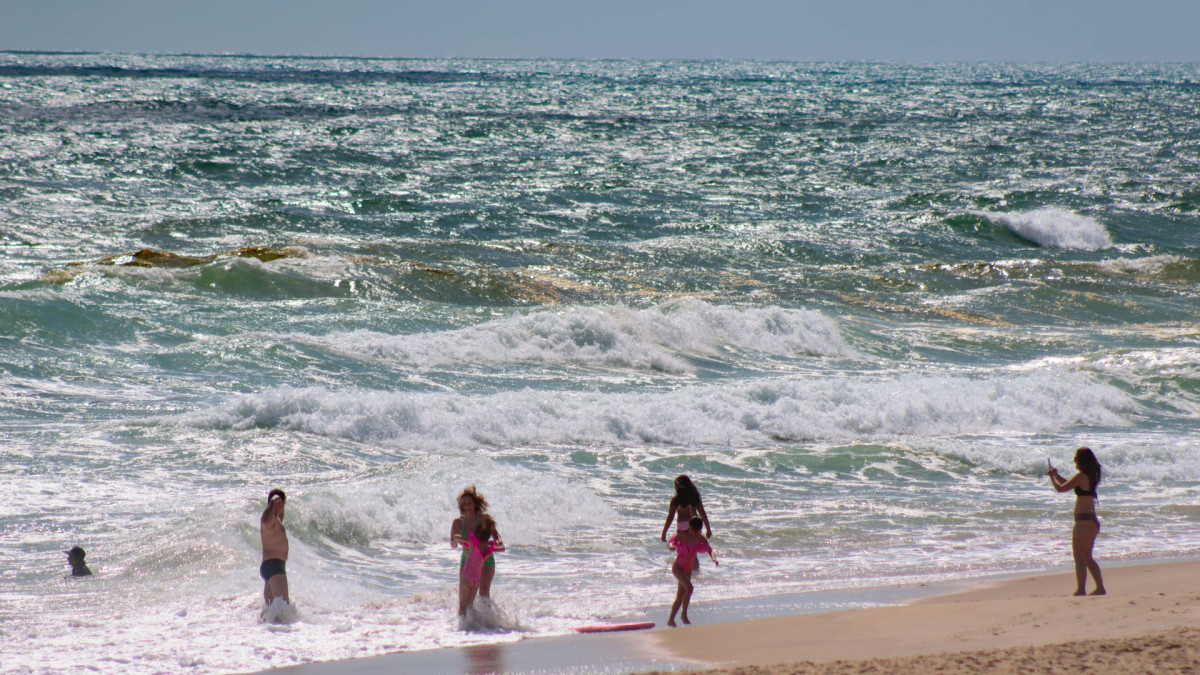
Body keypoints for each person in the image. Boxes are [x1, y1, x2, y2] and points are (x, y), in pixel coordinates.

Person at [1047, 447, 1106, 596]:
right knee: (1087, 558)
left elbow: (1061, 489)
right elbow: (1069, 484)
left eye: (1076, 458)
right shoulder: (1089, 476)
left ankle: (1081, 590)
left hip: (1084, 523)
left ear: (1081, 461)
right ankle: (1100, 588)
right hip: (1091, 522)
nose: (1074, 460)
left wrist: (1052, 478)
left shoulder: (1081, 476)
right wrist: (1057, 475)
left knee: (1079, 557)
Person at [450, 485, 504, 617]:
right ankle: (468, 621)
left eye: (469, 503)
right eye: (464, 504)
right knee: (464, 593)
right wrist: (456, 542)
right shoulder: (458, 523)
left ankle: (489, 621)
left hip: (486, 559)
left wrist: (495, 543)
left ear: (475, 503)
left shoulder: (484, 519)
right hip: (467, 559)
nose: (467, 506)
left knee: (483, 593)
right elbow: (453, 543)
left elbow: (497, 537)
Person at [666, 516, 717, 627]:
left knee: (680, 595)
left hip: (687, 569)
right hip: (678, 567)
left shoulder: (700, 538)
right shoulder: (682, 535)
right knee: (690, 588)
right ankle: (683, 615)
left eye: (697, 530)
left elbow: (710, 549)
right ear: (690, 527)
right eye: (693, 529)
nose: (695, 532)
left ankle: (671, 620)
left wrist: (714, 559)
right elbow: (670, 542)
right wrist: (671, 546)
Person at [660, 475, 712, 571]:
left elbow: (670, 517)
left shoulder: (676, 500)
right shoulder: (695, 499)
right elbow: (703, 514)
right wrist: (708, 529)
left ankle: (685, 572)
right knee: (693, 553)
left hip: (682, 527)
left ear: (678, 487)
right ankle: (695, 573)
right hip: (694, 526)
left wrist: (664, 532)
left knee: (682, 552)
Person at [259, 488, 290, 612]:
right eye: (283, 503)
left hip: (272, 567)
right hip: (274, 567)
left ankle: (262, 625)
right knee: (284, 607)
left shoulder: (276, 520)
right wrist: (273, 503)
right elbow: (264, 521)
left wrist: (278, 506)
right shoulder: (270, 521)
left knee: (270, 609)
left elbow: (280, 516)